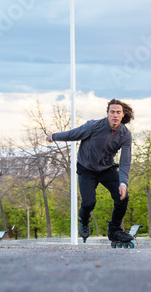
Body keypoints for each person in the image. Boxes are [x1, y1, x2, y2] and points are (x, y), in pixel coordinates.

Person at [46, 99, 134, 243]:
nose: (115, 116)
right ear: (107, 114)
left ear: (123, 115)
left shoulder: (125, 135)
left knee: (123, 197)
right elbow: (74, 134)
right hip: (87, 169)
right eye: (112, 112)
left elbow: (125, 162)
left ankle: (115, 230)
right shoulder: (94, 126)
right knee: (89, 202)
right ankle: (84, 219)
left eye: (118, 112)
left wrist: (123, 183)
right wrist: (54, 136)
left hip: (106, 168)